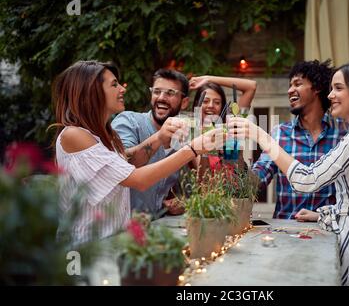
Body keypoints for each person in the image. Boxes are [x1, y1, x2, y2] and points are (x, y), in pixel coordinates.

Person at [228, 62, 349, 286]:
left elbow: (307, 179)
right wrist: (321, 214)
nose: (332, 95)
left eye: (338, 88)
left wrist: (260, 135)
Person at [52, 60, 222, 246]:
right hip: (84, 248)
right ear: (93, 92)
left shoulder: (105, 136)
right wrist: (192, 148)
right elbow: (137, 179)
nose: (123, 89)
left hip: (113, 242)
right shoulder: (75, 135)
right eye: (114, 84)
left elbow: (127, 164)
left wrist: (160, 138)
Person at [252, 60, 347, 219]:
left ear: (316, 88)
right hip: (285, 232)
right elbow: (259, 178)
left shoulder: (343, 133)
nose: (290, 90)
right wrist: (235, 162)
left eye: (297, 84)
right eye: (290, 85)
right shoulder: (280, 133)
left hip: (329, 232)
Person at [111, 69, 190, 217]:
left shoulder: (182, 139)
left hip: (154, 229)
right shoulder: (129, 121)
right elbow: (123, 166)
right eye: (157, 91)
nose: (161, 97)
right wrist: (159, 137)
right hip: (120, 231)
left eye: (170, 93)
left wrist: (179, 203)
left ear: (184, 102)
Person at [188, 75, 257, 176]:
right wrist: (207, 149)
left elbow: (251, 87)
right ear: (197, 105)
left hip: (235, 189)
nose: (211, 105)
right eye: (206, 101)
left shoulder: (230, 127)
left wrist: (208, 79)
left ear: (222, 107)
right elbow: (202, 180)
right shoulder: (192, 133)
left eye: (217, 102)